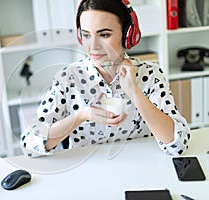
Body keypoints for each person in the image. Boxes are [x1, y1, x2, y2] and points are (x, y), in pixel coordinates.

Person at [20, 0, 190, 157]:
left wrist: (134, 91)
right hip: (90, 177)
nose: (93, 46)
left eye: (104, 35)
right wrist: (81, 116)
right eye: (86, 35)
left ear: (127, 34)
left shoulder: (151, 74)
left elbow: (178, 145)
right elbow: (29, 143)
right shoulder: (69, 78)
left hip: (140, 170)